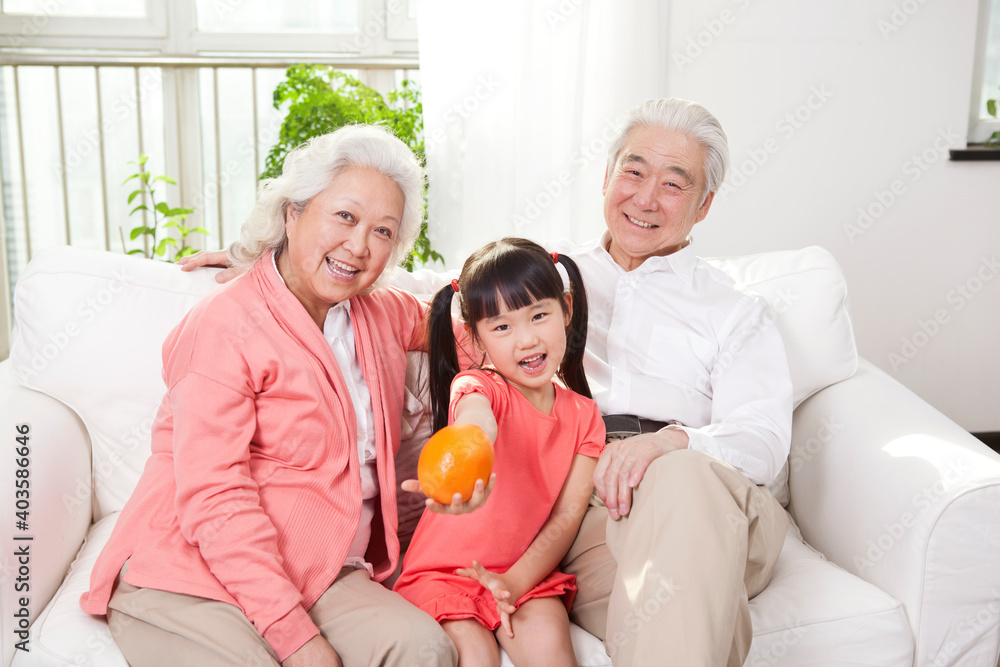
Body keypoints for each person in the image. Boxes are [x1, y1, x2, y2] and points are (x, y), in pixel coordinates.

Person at [182, 97, 793, 667]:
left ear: (703, 204)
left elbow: (762, 442)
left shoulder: (736, 312)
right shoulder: (548, 274)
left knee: (682, 494)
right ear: (607, 177)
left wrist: (667, 444)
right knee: (658, 605)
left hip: (695, 495)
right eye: (634, 172)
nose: (646, 197)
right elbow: (450, 301)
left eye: (674, 182)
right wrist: (280, 265)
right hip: (582, 510)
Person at [79, 124, 489, 667]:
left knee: (424, 649)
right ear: (293, 213)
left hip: (317, 568)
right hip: (189, 572)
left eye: (383, 231)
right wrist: (295, 639)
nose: (359, 246)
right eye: (344, 216)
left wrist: (477, 415)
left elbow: (482, 335)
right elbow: (214, 497)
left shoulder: (381, 312)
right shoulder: (223, 327)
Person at [393, 238, 605, 667]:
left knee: (550, 646)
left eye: (539, 316)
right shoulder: (479, 387)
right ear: (476, 338)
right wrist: (476, 448)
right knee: (474, 657)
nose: (527, 339)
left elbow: (566, 517)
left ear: (566, 309)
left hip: (521, 572)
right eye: (502, 327)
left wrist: (513, 581)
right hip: (445, 572)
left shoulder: (586, 417)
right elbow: (475, 421)